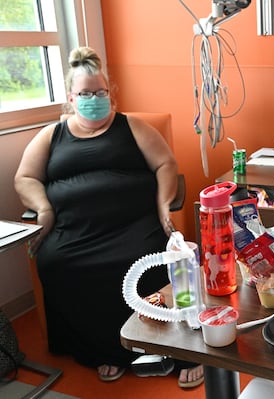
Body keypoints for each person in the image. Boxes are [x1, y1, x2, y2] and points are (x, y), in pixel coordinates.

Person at [14, 46, 204, 388]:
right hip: (75, 231)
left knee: (151, 261)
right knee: (54, 262)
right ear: (71, 97)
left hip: (133, 226)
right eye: (85, 93)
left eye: (100, 93)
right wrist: (44, 208)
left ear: (110, 94)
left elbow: (166, 164)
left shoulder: (132, 126)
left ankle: (177, 353)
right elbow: (24, 178)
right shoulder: (51, 135)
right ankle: (102, 350)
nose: (93, 99)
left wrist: (163, 205)